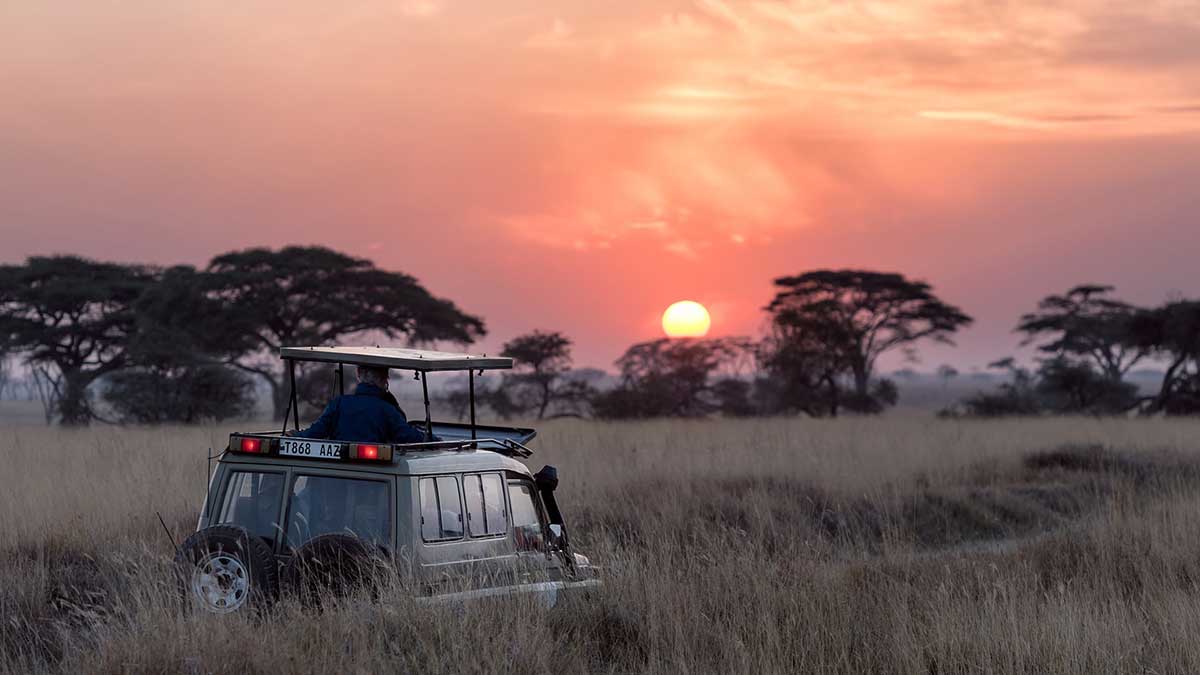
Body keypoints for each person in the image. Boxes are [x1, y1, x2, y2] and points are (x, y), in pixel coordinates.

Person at [294, 365, 434, 444]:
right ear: (385, 378)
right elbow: (408, 436)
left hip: (337, 477)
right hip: (375, 480)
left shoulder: (338, 403)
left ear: (358, 375)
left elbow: (315, 432)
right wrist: (433, 439)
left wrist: (294, 436)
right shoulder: (387, 410)